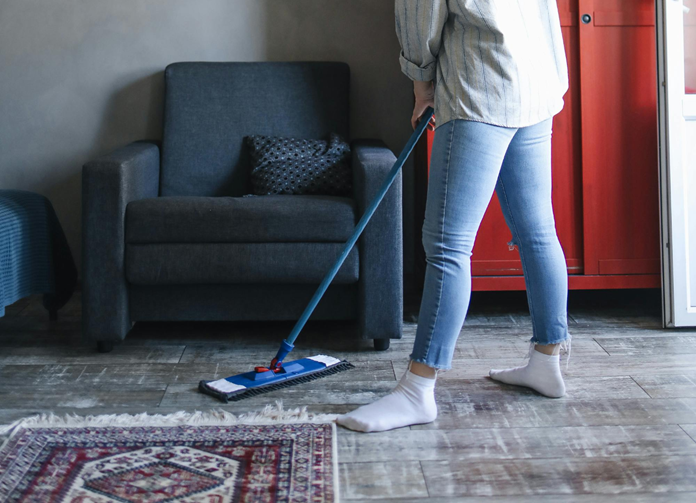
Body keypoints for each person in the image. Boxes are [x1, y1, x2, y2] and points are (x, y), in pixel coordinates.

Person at [337, 0, 572, 433]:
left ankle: (417, 392)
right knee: (538, 231)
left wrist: (421, 85)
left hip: (479, 87)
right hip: (535, 83)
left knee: (448, 246)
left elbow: (419, 18)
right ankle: (546, 360)